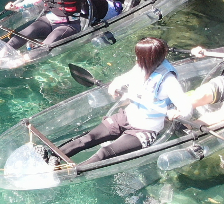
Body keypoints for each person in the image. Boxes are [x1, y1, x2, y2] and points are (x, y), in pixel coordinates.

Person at [57, 37, 186, 164]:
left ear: (147, 58)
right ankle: (53, 157)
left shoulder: (168, 81)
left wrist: (178, 112)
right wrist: (114, 86)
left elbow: (186, 108)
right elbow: (122, 79)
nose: (136, 59)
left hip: (146, 129)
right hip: (126, 117)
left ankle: (70, 173)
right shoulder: (141, 67)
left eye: (139, 56)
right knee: (86, 139)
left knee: (104, 153)